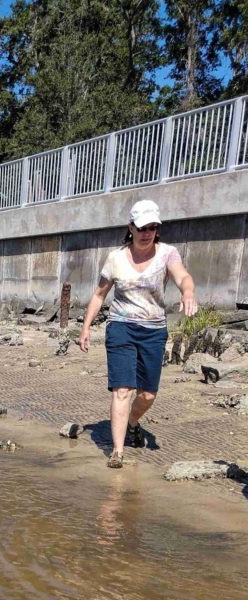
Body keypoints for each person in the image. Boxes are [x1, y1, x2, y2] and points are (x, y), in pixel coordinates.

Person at [78, 198, 198, 468]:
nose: (147, 233)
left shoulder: (168, 253)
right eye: (142, 227)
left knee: (147, 394)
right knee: (122, 390)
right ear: (130, 227)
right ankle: (117, 452)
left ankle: (133, 422)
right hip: (121, 327)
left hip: (153, 330)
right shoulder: (116, 258)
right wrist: (85, 327)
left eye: (153, 228)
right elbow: (99, 295)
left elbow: (182, 276)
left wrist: (187, 291)